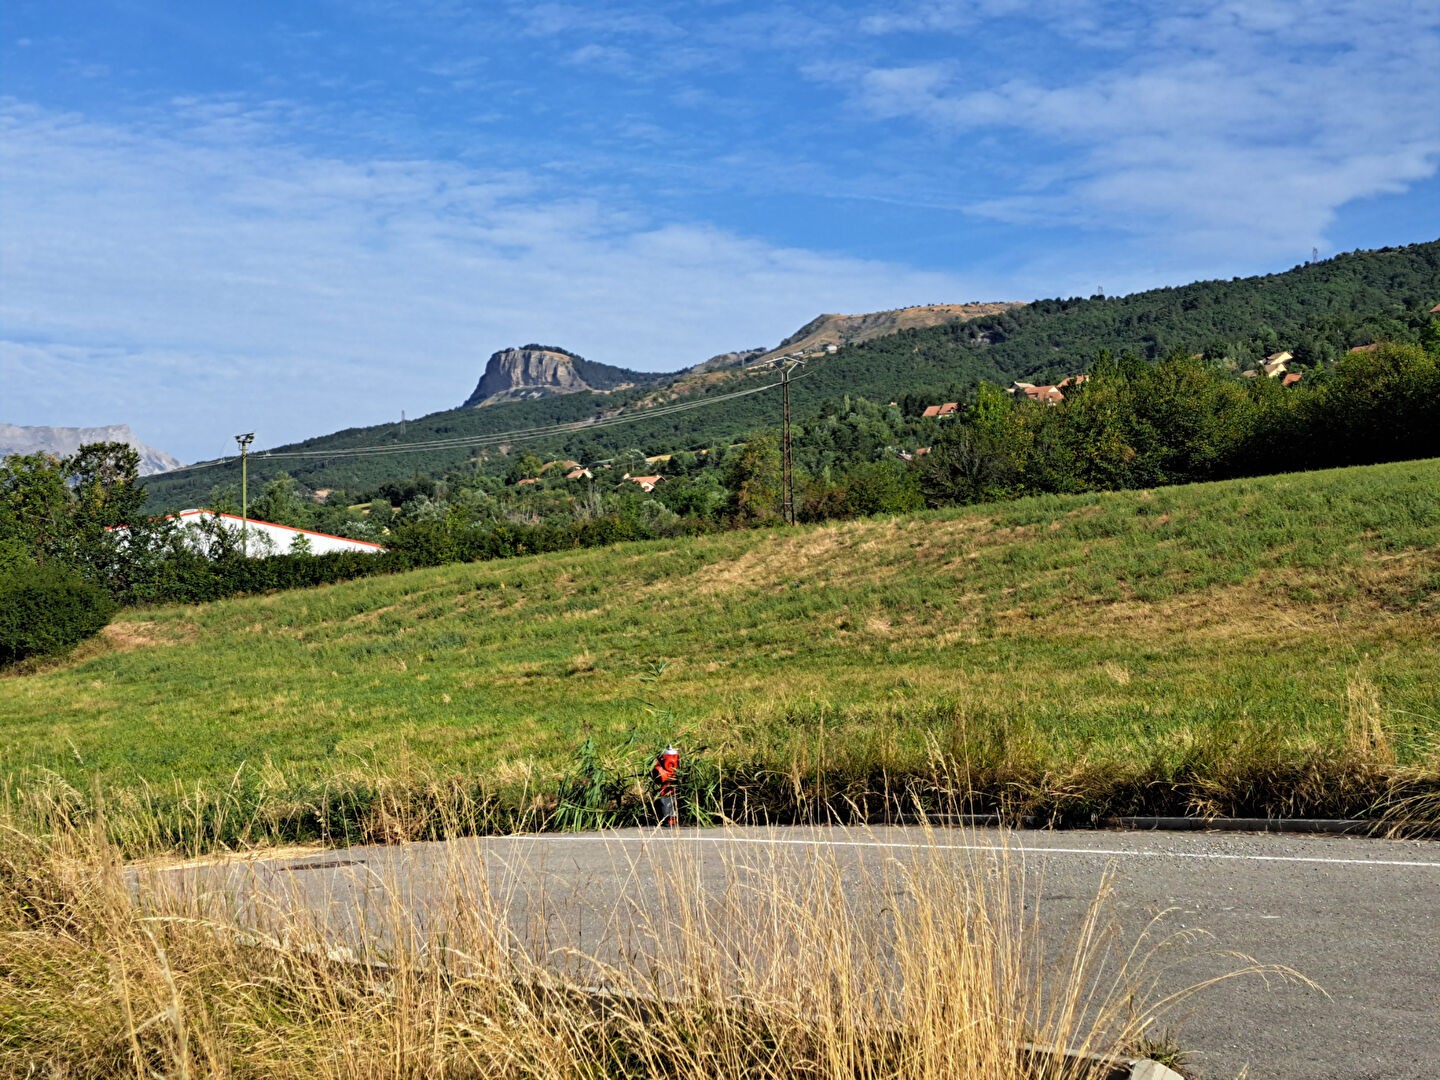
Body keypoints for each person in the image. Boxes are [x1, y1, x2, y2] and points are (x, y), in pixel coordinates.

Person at [651, 745, 679, 827]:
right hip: (667, 783)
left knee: (670, 797)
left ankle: (670, 817)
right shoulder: (662, 763)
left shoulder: (665, 760)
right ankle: (668, 817)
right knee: (666, 798)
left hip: (670, 783)